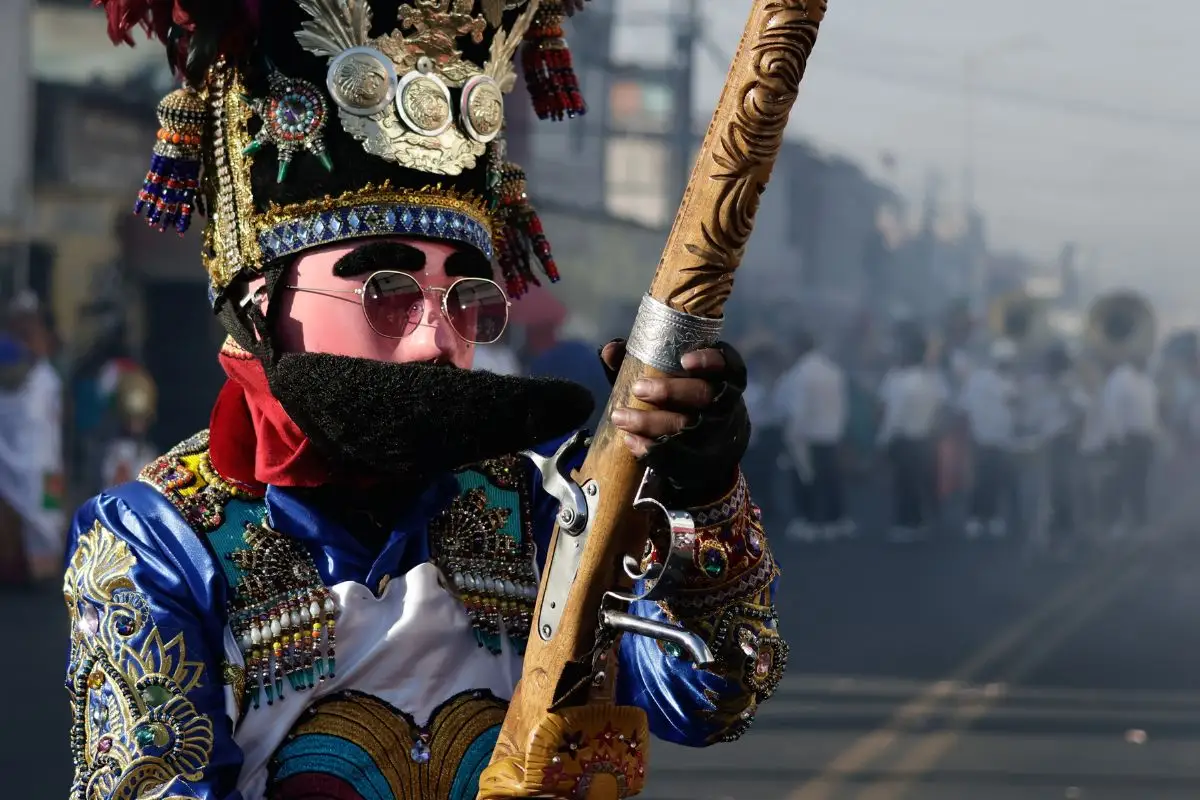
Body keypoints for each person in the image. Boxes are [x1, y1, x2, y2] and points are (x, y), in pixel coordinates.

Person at [65, 2, 785, 798]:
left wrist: (702, 493)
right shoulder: (164, 541)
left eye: (466, 299)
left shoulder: (542, 501)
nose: (435, 342)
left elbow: (714, 693)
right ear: (261, 299)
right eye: (386, 290)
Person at [777, 330, 851, 542]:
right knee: (831, 478)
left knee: (805, 479)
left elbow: (796, 411)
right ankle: (836, 519)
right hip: (831, 433)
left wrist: (791, 437)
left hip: (807, 435)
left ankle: (809, 522)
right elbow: (842, 403)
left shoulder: (799, 374)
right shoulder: (832, 370)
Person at [877, 331, 947, 542]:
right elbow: (941, 408)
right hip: (925, 438)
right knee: (919, 481)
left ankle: (907, 523)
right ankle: (920, 520)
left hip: (903, 439)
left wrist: (882, 441)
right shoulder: (933, 379)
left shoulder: (897, 380)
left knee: (904, 483)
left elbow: (891, 415)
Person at [959, 338, 1019, 539]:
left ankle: (982, 519)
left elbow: (964, 408)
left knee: (987, 479)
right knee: (989, 479)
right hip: (993, 438)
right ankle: (983, 519)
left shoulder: (978, 379)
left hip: (990, 438)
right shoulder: (1004, 382)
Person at [1098, 353, 1160, 535]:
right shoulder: (1120, 379)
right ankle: (1114, 523)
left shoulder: (1147, 381)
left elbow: (1151, 412)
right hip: (1126, 439)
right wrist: (1118, 438)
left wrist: (1156, 434)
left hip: (1145, 438)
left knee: (1141, 481)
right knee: (1120, 480)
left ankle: (1140, 520)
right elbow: (1112, 408)